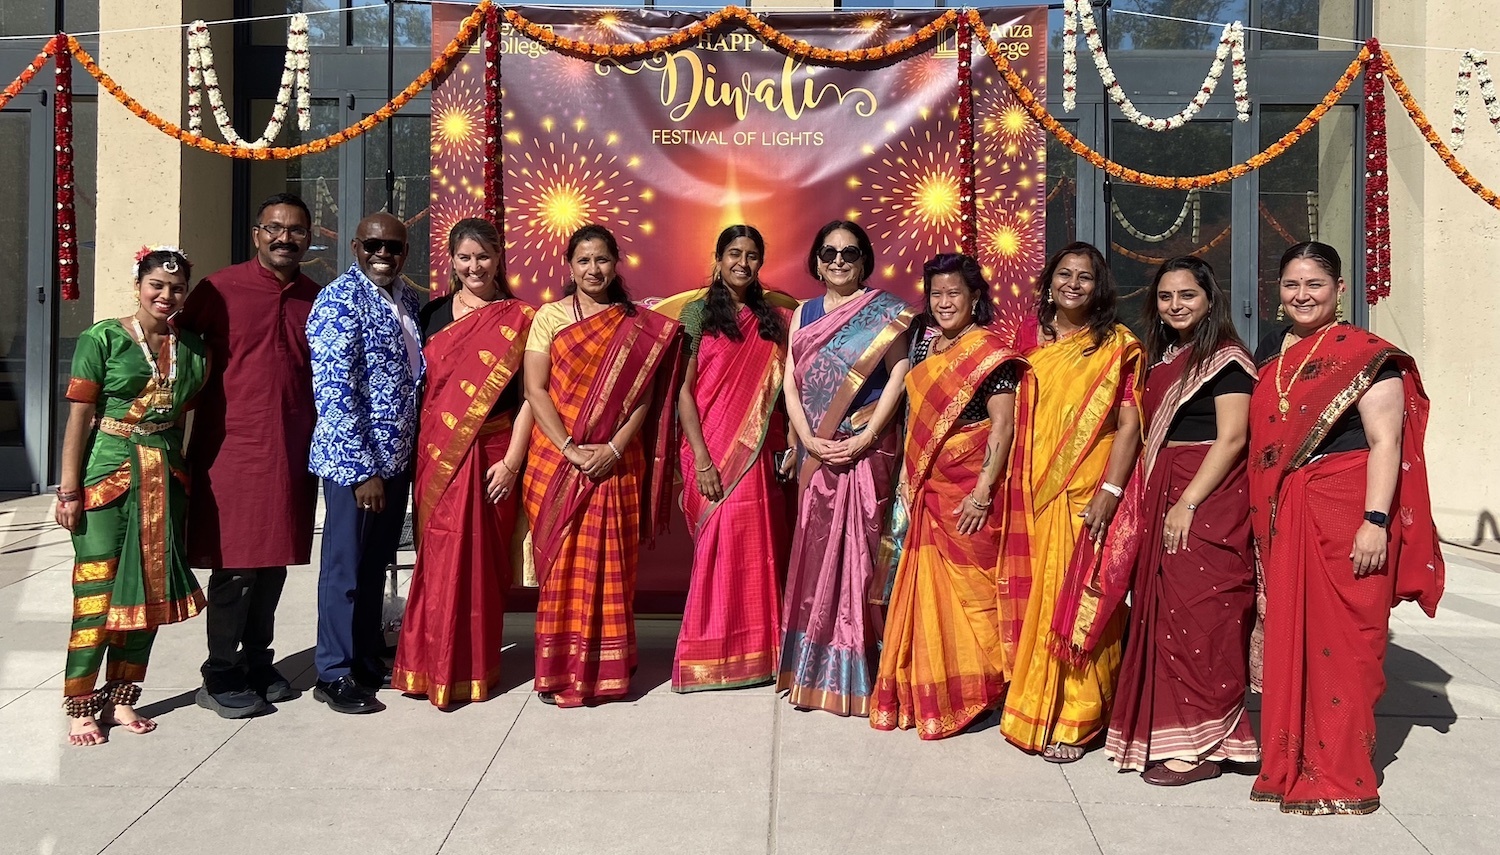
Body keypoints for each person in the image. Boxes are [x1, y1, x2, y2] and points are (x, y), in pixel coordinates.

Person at [1248, 242, 1443, 815]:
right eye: (1291, 284)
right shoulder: (1269, 350)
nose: (1301, 295)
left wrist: (1375, 521)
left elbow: (1386, 441)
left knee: (1349, 648)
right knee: (1294, 640)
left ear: (1338, 290)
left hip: (1348, 510)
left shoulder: (1365, 355)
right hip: (1292, 516)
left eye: (1314, 284)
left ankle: (1342, 776)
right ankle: (1287, 766)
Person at [1104, 256, 1259, 784]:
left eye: (1187, 295)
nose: (1176, 305)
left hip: (1207, 498)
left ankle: (1206, 745)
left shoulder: (1226, 360)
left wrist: (1188, 502)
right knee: (1166, 614)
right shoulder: (1165, 356)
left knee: (1205, 613)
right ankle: (1173, 731)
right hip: (1166, 488)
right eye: (1167, 297)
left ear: (1209, 299)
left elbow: (1234, 437)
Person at [522, 224, 685, 707]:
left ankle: (608, 669)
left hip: (617, 461)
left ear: (616, 263)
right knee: (562, 567)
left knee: (610, 565)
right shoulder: (549, 317)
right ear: (569, 268)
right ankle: (558, 671)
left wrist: (612, 449)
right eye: (583, 261)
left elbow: (643, 397)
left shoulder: (636, 324)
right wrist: (572, 448)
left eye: (602, 260)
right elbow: (536, 390)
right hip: (557, 460)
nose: (593, 270)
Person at [54, 247, 209, 746]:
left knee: (147, 594)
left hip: (164, 482)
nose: (166, 296)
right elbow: (80, 417)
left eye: (177, 288)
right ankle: (80, 704)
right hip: (108, 480)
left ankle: (122, 698)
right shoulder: (102, 337)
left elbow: (180, 418)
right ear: (138, 283)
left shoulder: (194, 348)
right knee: (95, 594)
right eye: (156, 286)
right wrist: (69, 489)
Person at [870, 253, 1028, 739]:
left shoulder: (989, 353)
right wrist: (903, 476)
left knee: (976, 589)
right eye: (936, 294)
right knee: (926, 591)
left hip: (972, 486)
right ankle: (935, 690)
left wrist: (982, 492)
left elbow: (1004, 424)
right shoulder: (922, 347)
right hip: (926, 482)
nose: (943, 303)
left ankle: (984, 688)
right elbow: (915, 413)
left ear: (974, 297)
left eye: (953, 293)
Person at [1000, 241, 1143, 762]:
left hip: (1086, 488)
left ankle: (1078, 720)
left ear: (1098, 287)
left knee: (1081, 598)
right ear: (1049, 281)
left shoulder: (1118, 345)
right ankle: (1034, 702)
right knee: (1041, 599)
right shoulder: (1027, 338)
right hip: (1031, 489)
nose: (1073, 285)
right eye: (1065, 274)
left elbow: (1129, 424)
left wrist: (1110, 490)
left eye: (1085, 277)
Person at [181, 192, 321, 719]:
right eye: (274, 229)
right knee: (236, 566)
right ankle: (219, 671)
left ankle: (258, 661)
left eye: (296, 230)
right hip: (233, 448)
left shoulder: (316, 297)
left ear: (310, 237)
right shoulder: (219, 289)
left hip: (290, 448)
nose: (285, 238)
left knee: (274, 562)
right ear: (257, 234)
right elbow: (174, 360)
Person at [393, 218, 534, 708]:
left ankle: (474, 666)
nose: (474, 267)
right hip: (438, 454)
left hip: (495, 454)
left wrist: (513, 462)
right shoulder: (430, 315)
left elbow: (530, 399)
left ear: (499, 259)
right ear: (451, 262)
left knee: (483, 564)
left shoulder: (520, 318)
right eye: (464, 258)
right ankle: (426, 663)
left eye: (483, 256)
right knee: (437, 560)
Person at [778, 220, 914, 717]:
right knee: (815, 555)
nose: (839, 261)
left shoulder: (887, 312)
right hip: (816, 451)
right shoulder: (803, 314)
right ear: (816, 261)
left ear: (864, 261)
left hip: (864, 446)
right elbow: (790, 381)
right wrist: (809, 439)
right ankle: (811, 668)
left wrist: (865, 437)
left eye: (849, 253)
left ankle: (854, 669)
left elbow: (899, 371)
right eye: (829, 252)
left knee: (859, 554)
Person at [306, 212, 425, 715]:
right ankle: (333, 671)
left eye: (394, 247)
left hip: (396, 462)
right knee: (345, 568)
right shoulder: (339, 302)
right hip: (358, 467)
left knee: (375, 564)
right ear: (355, 246)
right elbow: (335, 394)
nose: (384, 254)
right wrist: (362, 471)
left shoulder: (407, 299)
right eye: (374, 245)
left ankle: (363, 655)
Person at [673, 225, 792, 693]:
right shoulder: (697, 313)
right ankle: (706, 655)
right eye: (734, 254)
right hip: (710, 450)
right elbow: (683, 392)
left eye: (752, 256)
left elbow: (782, 394)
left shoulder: (773, 319)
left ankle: (758, 653)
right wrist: (702, 459)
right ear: (718, 258)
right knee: (715, 548)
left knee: (755, 549)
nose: (743, 263)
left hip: (756, 453)